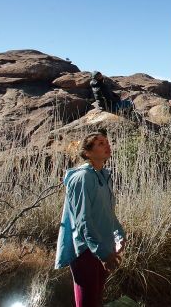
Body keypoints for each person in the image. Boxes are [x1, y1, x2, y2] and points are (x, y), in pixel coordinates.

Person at [55, 129, 126, 307]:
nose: (107, 145)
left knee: (96, 298)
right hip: (86, 250)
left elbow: (107, 213)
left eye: (107, 142)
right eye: (100, 143)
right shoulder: (82, 177)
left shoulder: (104, 176)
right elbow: (83, 220)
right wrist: (102, 253)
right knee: (87, 301)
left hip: (103, 246)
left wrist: (119, 234)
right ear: (87, 152)